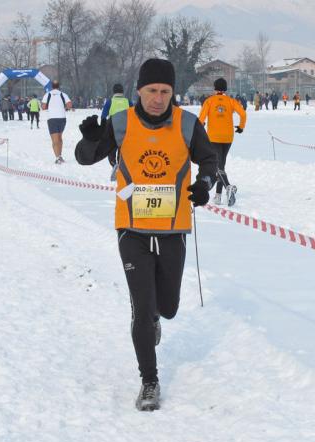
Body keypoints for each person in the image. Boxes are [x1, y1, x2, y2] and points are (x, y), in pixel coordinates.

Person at [74, 58, 218, 411]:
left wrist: (203, 185)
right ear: (139, 90)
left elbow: (210, 161)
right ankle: (149, 381)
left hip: (172, 227)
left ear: (173, 93)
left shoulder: (187, 123)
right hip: (132, 228)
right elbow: (84, 158)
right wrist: (91, 140)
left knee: (166, 307)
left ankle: (155, 317)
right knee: (141, 306)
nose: (157, 98)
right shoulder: (120, 123)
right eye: (151, 90)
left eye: (165, 91)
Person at [199, 78, 246, 207]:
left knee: (217, 167)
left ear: (215, 88)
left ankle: (228, 187)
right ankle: (218, 196)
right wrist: (241, 127)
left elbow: (201, 119)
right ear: (225, 89)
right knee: (221, 165)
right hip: (228, 137)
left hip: (213, 137)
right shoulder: (231, 101)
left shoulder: (209, 101)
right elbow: (242, 114)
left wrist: (200, 128)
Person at [101, 83, 132, 167]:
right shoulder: (128, 101)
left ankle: (114, 164)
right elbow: (135, 115)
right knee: (122, 149)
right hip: (125, 128)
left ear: (113, 92)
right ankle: (120, 165)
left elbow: (103, 116)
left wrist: (103, 128)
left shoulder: (110, 101)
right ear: (123, 92)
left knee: (111, 148)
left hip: (112, 128)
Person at [41, 80, 73, 164]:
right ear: (59, 86)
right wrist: (63, 106)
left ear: (52, 86)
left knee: (55, 139)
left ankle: (58, 157)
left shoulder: (47, 94)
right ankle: (60, 156)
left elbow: (43, 107)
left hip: (52, 118)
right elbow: (69, 105)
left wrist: (50, 106)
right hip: (62, 118)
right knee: (59, 137)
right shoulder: (63, 94)